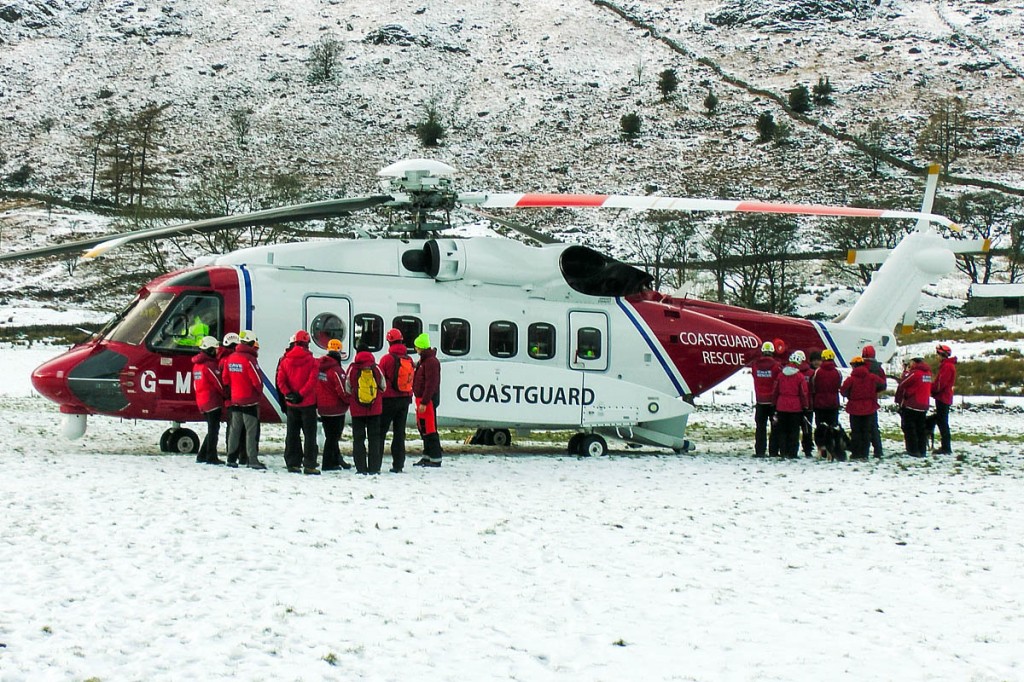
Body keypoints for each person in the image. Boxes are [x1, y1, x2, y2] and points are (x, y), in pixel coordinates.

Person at [278, 329, 321, 475]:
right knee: (309, 436)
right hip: (307, 404)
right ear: (307, 343)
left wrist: (289, 394)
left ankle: (293, 463)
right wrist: (301, 394)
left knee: (292, 434)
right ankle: (309, 464)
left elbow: (280, 380)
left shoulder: (285, 360)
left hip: (291, 405)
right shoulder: (312, 361)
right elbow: (312, 381)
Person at [224, 330, 267, 470]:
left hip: (235, 399)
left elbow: (225, 378)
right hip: (249, 400)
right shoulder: (249, 359)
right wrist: (258, 392)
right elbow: (257, 380)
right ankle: (252, 460)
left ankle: (231, 458)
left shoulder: (231, 358)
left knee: (235, 430)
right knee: (251, 431)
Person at [378, 328, 415, 473]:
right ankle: (398, 465)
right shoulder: (409, 359)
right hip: (405, 399)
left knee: (381, 433)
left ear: (389, 341)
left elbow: (380, 377)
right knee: (399, 434)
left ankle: (376, 462)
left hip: (388, 400)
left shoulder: (387, 359)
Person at [347, 343, 386, 474]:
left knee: (358, 439)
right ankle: (374, 468)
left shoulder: (353, 368)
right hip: (375, 410)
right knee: (374, 439)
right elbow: (383, 386)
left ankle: (361, 468)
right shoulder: (376, 368)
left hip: (357, 411)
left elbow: (347, 388)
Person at [841, 356, 886, 461]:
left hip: (854, 408)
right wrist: (874, 391)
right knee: (866, 432)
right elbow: (882, 384)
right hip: (869, 408)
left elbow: (843, 391)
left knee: (856, 432)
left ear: (854, 366)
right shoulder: (872, 377)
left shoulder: (850, 379)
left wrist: (850, 396)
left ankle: (856, 453)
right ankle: (865, 453)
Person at [317, 339, 352, 471]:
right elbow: (342, 390)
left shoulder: (321, 368)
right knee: (333, 437)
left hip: (323, 408)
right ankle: (328, 463)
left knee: (330, 435)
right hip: (336, 409)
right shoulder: (336, 370)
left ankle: (337, 459)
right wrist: (348, 401)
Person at [192, 335, 225, 465]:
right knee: (213, 430)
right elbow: (218, 383)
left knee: (212, 428)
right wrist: (226, 394)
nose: (217, 351)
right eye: (215, 349)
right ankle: (211, 456)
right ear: (210, 350)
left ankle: (202, 454)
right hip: (212, 401)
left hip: (202, 400)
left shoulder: (197, 365)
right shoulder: (209, 365)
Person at [412, 332, 443, 467]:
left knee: (430, 429)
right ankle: (427, 456)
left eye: (417, 347)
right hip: (422, 399)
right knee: (423, 428)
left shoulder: (430, 362)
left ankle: (435, 457)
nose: (415, 349)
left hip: (427, 400)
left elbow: (431, 383)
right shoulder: (425, 361)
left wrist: (425, 401)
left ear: (421, 348)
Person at [772, 352, 809, 459]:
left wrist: (774, 404)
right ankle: (792, 453)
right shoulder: (799, 376)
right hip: (795, 407)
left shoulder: (780, 375)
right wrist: (805, 406)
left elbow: (775, 391)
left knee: (782, 431)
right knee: (794, 431)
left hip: (781, 406)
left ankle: (783, 451)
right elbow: (803, 393)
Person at [219, 332, 247, 467]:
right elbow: (226, 381)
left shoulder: (222, 359)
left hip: (230, 398)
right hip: (234, 398)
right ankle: (239, 455)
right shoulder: (230, 359)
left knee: (233, 428)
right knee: (237, 429)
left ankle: (233, 454)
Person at [895, 356, 932, 457]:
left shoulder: (915, 373)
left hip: (913, 404)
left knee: (910, 428)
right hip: (924, 404)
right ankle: (922, 450)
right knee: (921, 429)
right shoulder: (928, 373)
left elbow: (903, 384)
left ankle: (912, 450)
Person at [751, 341, 781, 458]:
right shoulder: (776, 366)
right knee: (775, 427)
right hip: (773, 402)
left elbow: (754, 375)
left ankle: (760, 451)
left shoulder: (755, 365)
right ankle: (773, 451)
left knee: (760, 427)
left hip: (760, 401)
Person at [810, 349, 842, 458]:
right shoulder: (837, 372)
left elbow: (813, 385)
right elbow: (838, 385)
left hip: (820, 404)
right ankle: (832, 449)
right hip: (833, 403)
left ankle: (821, 449)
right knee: (832, 428)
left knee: (820, 428)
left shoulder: (818, 371)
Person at [930, 344, 958, 454]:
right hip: (944, 396)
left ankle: (946, 447)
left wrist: (931, 389)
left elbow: (940, 384)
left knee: (942, 422)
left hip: (943, 397)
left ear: (942, 354)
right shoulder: (947, 365)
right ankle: (945, 447)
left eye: (938, 354)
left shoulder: (947, 367)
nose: (936, 356)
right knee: (942, 421)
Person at [861, 344, 887, 458]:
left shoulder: (860, 366)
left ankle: (862, 450)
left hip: (860, 400)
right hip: (872, 400)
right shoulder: (879, 368)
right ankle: (878, 450)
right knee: (873, 427)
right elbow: (883, 384)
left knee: (860, 427)